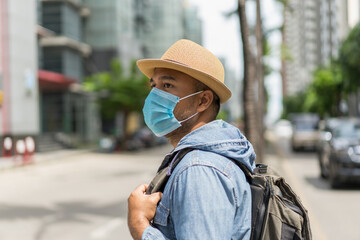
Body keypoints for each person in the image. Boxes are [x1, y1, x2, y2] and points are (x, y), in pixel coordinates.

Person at [127, 39, 256, 240]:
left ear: (203, 100)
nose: (154, 95)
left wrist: (139, 225)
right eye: (154, 85)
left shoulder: (200, 169)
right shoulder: (203, 162)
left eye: (167, 85)